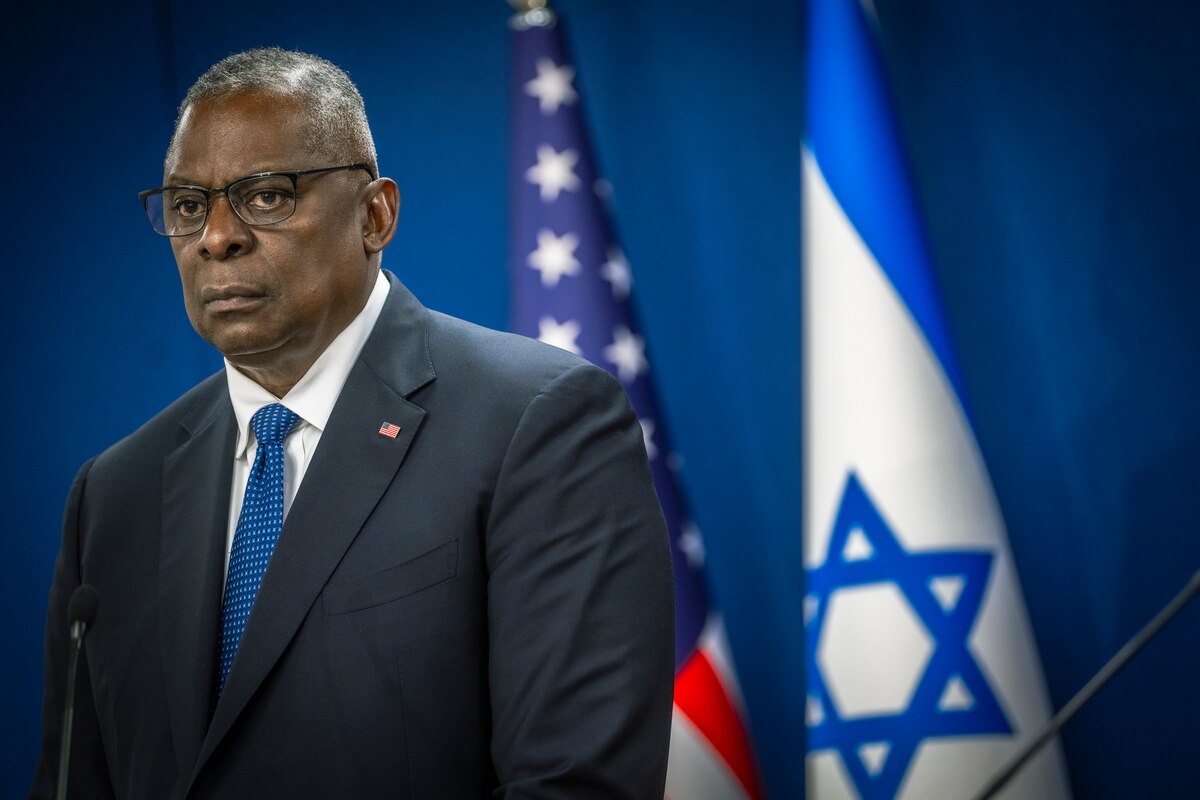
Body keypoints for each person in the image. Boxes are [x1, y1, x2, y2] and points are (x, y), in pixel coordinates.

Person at [32, 48, 674, 799]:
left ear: (376, 215)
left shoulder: (538, 425)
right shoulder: (112, 496)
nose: (216, 237)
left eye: (265, 196)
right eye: (186, 205)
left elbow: (576, 783)